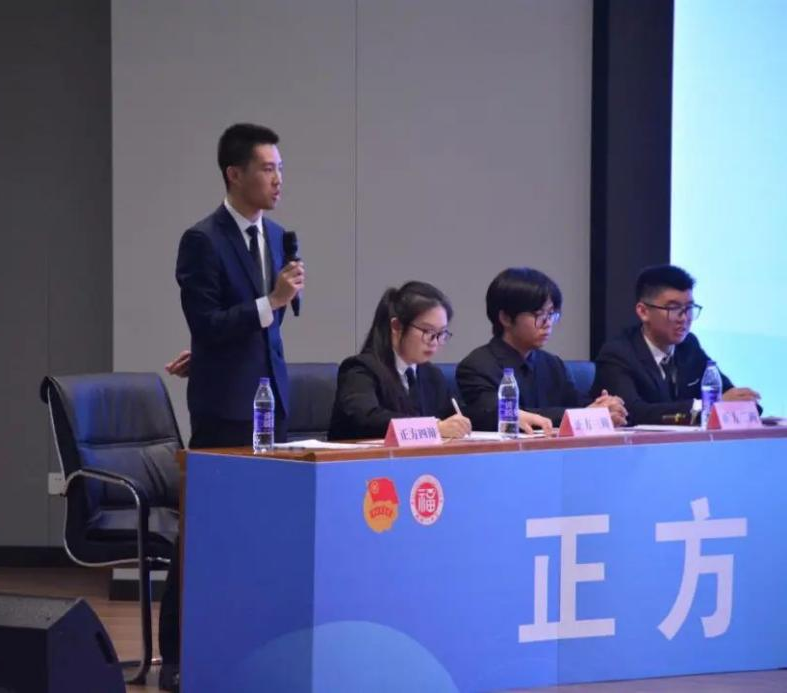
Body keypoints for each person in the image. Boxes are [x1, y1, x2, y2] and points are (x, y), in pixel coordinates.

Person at [161, 123, 305, 691]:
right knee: (204, 534)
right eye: (268, 168)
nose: (278, 179)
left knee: (264, 533)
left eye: (280, 168)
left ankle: (251, 647)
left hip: (272, 403)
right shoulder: (203, 240)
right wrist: (271, 301)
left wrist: (275, 302)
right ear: (234, 173)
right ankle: (176, 657)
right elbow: (207, 322)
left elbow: (252, 326)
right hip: (225, 409)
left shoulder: (277, 236)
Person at [457, 267, 627, 433]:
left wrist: (603, 407)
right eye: (539, 315)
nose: (548, 324)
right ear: (506, 318)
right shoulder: (477, 367)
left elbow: (577, 404)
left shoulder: (553, 364)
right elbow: (505, 414)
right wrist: (582, 414)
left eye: (551, 314)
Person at [591, 264, 760, 425]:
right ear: (643, 312)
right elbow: (632, 412)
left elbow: (726, 393)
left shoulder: (689, 346)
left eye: (689, 308)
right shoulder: (618, 353)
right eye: (673, 308)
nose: (684, 318)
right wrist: (706, 406)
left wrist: (741, 403)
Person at [329, 281, 471, 440]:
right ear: (397, 326)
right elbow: (366, 418)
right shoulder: (360, 370)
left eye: (441, 333)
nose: (435, 342)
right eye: (428, 331)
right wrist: (433, 428)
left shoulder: (432, 375)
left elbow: (450, 419)